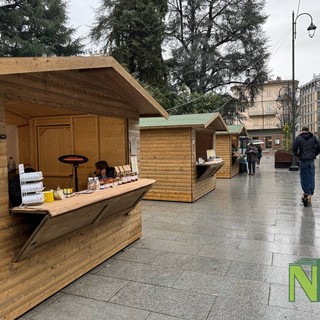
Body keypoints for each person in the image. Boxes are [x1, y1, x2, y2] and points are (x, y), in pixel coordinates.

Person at [293, 126, 320, 203]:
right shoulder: (313, 137)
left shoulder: (299, 138)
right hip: (311, 160)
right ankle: (310, 192)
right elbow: (319, 145)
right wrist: (315, 153)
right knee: (311, 176)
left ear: (302, 131)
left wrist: (298, 154)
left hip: (303, 160)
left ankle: (306, 192)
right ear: (308, 130)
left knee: (304, 177)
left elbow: (294, 147)